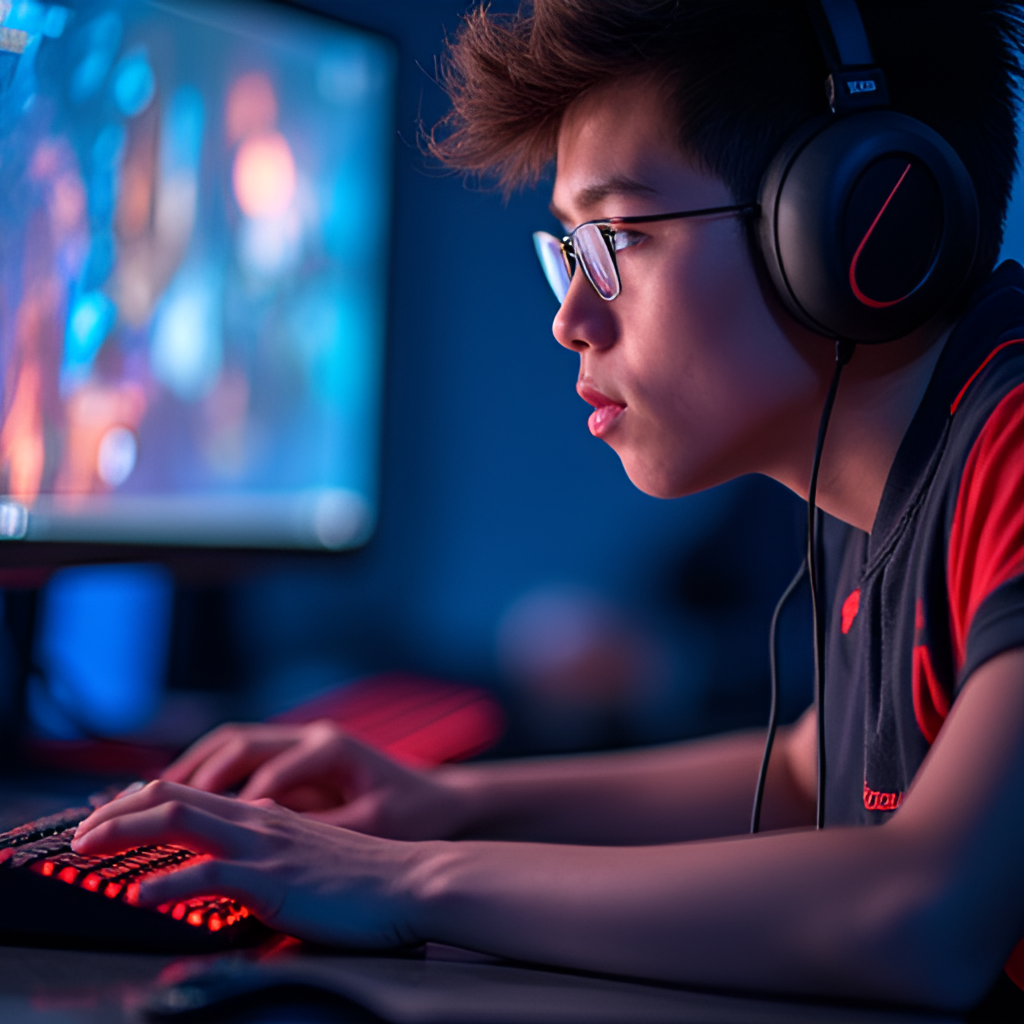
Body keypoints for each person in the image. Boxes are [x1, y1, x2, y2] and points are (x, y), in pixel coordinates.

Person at [72, 0, 1024, 1013]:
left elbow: (927, 908)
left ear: (851, 220)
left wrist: (402, 880)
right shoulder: (892, 469)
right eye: (568, 249)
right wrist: (436, 807)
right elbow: (802, 775)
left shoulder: (1006, 447)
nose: (569, 318)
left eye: (616, 237)